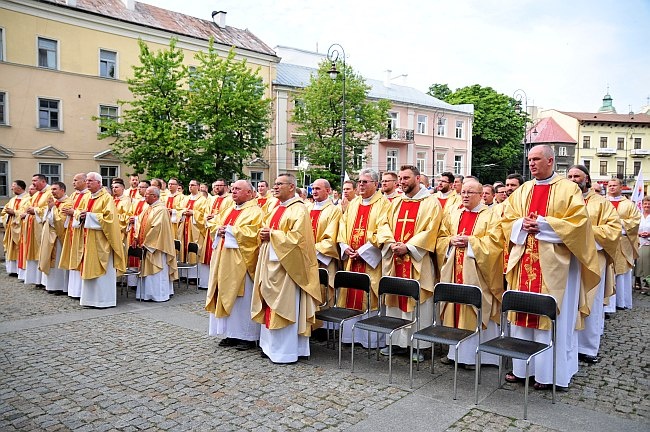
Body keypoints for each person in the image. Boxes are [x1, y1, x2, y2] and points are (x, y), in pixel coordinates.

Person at [501, 145, 600, 390]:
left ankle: (550, 374)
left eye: (536, 159)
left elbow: (579, 224)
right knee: (523, 313)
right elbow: (506, 219)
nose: (532, 164)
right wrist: (521, 225)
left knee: (551, 316)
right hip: (525, 261)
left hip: (556, 266)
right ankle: (522, 369)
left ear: (551, 161)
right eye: (529, 159)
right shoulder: (524, 189)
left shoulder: (568, 189)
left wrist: (543, 225)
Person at [251, 173, 321, 363]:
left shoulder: (299, 210)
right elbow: (266, 230)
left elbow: (299, 241)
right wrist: (265, 233)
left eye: (279, 184)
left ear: (291, 187)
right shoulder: (275, 208)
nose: (275, 187)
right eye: (274, 184)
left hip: (288, 269)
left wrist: (272, 235)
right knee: (269, 304)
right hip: (270, 263)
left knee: (286, 306)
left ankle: (286, 351)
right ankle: (269, 347)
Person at [436, 179, 504, 368]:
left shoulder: (491, 215)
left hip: (478, 274)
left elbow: (496, 243)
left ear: (480, 195)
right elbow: (440, 237)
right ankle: (455, 353)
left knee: (476, 308)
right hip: (454, 270)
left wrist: (471, 242)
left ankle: (478, 357)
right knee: (455, 306)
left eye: (470, 193)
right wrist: (450, 241)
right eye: (463, 192)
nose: (465, 196)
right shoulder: (453, 214)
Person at [378, 165, 441, 361]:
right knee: (396, 300)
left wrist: (409, 247)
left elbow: (432, 230)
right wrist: (390, 243)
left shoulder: (431, 203)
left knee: (418, 302)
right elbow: (383, 224)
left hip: (417, 260)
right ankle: (396, 343)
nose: (402, 182)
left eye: (406, 178)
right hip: (396, 259)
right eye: (400, 178)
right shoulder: (395, 202)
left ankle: (418, 346)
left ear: (417, 178)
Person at [567, 165, 620, 364]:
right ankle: (569, 345)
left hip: (593, 261)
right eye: (570, 176)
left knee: (591, 302)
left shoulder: (601, 203)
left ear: (587, 179)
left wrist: (584, 231)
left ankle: (588, 348)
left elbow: (613, 230)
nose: (573, 179)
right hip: (568, 260)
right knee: (570, 303)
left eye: (577, 176)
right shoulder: (564, 202)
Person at [206, 180, 263, 349]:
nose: (234, 192)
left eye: (238, 189)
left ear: (249, 193)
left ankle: (247, 336)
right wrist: (218, 230)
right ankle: (231, 334)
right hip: (223, 260)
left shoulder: (256, 212)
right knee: (225, 295)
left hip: (242, 263)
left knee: (242, 300)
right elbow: (215, 223)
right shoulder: (229, 208)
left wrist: (230, 231)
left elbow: (255, 233)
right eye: (232, 189)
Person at [337, 169, 390, 347]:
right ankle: (350, 337)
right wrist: (345, 247)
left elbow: (384, 229)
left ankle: (370, 340)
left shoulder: (384, 204)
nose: (361, 185)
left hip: (369, 261)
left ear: (376, 184)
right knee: (351, 293)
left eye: (365, 182)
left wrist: (364, 250)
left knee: (369, 295)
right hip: (352, 258)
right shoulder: (353, 204)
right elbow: (343, 226)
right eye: (359, 181)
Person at [76, 172, 126, 308]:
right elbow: (79, 211)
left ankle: (104, 300)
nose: (87, 183)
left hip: (101, 240)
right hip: (89, 238)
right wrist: (80, 216)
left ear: (99, 183)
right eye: (86, 181)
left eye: (90, 181)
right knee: (89, 267)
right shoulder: (87, 197)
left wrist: (90, 216)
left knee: (102, 271)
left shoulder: (106, 198)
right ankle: (90, 300)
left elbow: (110, 219)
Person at [135, 186, 177, 302]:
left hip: (156, 246)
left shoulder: (161, 210)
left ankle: (158, 295)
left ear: (154, 196)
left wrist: (147, 242)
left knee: (157, 270)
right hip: (145, 244)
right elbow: (139, 222)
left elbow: (157, 228)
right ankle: (146, 294)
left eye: (147, 194)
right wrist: (136, 237)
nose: (144, 196)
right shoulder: (148, 208)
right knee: (147, 271)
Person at [606, 177, 640, 311]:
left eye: (615, 185)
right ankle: (607, 304)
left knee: (621, 273)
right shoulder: (603, 202)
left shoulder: (628, 204)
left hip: (622, 242)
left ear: (621, 187)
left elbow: (636, 221)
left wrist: (620, 223)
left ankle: (621, 301)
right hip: (606, 241)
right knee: (608, 272)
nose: (612, 187)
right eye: (610, 185)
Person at [307, 179, 341, 305]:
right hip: (306, 260)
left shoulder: (334, 210)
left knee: (324, 296)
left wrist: (311, 251)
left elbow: (331, 239)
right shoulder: (307, 208)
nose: (314, 191)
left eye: (318, 189)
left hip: (322, 260)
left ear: (328, 191)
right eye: (313, 188)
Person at [59, 173, 90, 299]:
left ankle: (79, 291)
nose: (73, 183)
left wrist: (74, 213)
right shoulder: (74, 195)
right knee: (72, 257)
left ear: (84, 181)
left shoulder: (89, 195)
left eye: (76, 180)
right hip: (72, 229)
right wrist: (68, 212)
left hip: (81, 231)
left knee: (80, 257)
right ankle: (72, 290)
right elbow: (71, 208)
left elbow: (85, 213)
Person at [39, 181, 71, 294]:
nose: (52, 192)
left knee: (58, 261)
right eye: (51, 189)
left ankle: (61, 287)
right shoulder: (55, 202)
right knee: (50, 259)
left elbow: (61, 221)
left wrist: (52, 208)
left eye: (55, 189)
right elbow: (45, 218)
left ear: (62, 190)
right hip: (50, 235)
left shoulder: (68, 203)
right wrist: (49, 209)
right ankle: (50, 285)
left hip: (60, 237)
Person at [21, 174, 53, 286]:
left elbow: (50, 208)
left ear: (43, 181)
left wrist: (35, 210)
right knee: (33, 251)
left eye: (35, 180)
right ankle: (36, 279)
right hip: (32, 226)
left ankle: (42, 280)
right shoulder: (37, 194)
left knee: (41, 251)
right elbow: (29, 205)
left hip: (41, 227)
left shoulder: (50, 192)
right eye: (32, 180)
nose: (33, 183)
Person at [203, 178, 234, 291]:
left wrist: (214, 218)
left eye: (220, 186)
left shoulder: (230, 199)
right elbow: (206, 212)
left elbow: (227, 215)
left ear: (226, 187)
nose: (217, 188)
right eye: (215, 186)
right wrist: (207, 218)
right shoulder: (212, 199)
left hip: (219, 230)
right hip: (211, 230)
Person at [176, 180, 208, 287]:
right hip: (185, 225)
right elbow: (179, 209)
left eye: (193, 185)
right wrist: (182, 212)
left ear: (198, 187)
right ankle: (184, 275)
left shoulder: (203, 199)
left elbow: (204, 214)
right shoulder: (186, 198)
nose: (190, 187)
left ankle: (195, 276)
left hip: (195, 228)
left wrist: (194, 213)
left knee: (195, 248)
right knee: (183, 248)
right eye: (189, 185)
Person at [1, 180, 29, 277]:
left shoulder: (28, 199)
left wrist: (14, 213)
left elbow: (26, 211)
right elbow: (4, 211)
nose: (11, 188)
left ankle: (20, 270)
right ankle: (12, 269)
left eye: (13, 186)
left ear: (20, 187)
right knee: (10, 248)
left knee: (20, 248)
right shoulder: (12, 199)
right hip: (10, 227)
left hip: (20, 228)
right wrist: (8, 214)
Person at [636, 196, 650, 295]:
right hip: (638, 241)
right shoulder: (638, 216)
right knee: (637, 261)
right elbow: (633, 227)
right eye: (645, 203)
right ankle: (637, 280)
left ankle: (646, 281)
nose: (647, 205)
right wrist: (638, 234)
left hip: (648, 242)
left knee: (646, 261)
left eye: (649, 204)